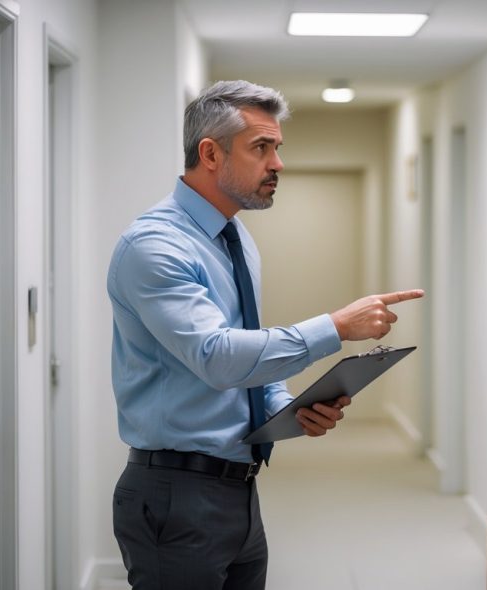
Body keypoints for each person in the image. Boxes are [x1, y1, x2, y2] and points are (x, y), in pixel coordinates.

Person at [107, 80, 423, 590]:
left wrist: (283, 408)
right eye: (261, 148)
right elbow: (217, 357)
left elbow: (243, 348)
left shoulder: (235, 239)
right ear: (210, 153)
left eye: (277, 148)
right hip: (176, 492)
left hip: (238, 491)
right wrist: (336, 327)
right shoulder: (155, 247)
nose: (277, 164)